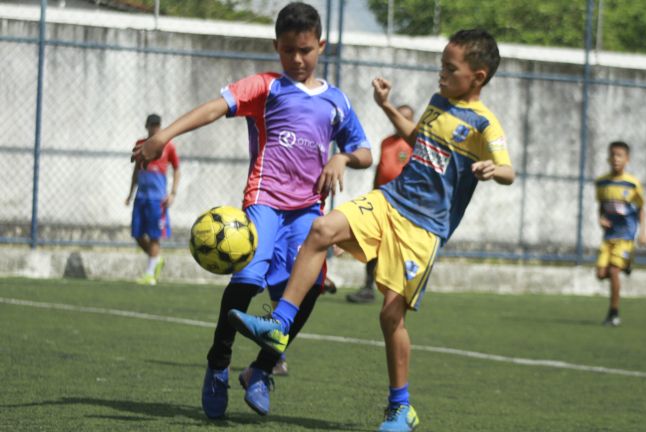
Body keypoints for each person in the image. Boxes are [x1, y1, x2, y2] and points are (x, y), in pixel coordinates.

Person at [229, 29, 515, 431]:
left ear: (478, 77)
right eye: (441, 66)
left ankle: (401, 408)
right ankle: (278, 326)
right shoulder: (437, 102)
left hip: (424, 228)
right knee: (321, 230)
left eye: (450, 69)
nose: (441, 74)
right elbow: (419, 139)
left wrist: (492, 168)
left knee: (389, 316)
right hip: (390, 200)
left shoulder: (485, 124)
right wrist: (386, 107)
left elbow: (508, 169)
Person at [132, 2, 372, 419]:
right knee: (246, 280)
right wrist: (164, 136)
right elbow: (212, 108)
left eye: (305, 50)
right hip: (264, 200)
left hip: (308, 212)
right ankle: (218, 362)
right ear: (276, 47)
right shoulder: (266, 87)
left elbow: (364, 151)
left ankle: (260, 370)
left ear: (321, 46)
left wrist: (343, 159)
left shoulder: (336, 101)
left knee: (309, 289)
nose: (297, 60)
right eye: (287, 51)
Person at [346, 104, 415, 304]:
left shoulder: (416, 144)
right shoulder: (386, 142)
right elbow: (381, 169)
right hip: (382, 200)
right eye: (396, 117)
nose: (399, 122)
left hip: (403, 204)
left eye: (405, 118)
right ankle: (368, 287)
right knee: (373, 243)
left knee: (400, 248)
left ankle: (402, 290)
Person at [595, 141, 646, 327]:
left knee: (614, 271)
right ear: (608, 158)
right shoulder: (602, 182)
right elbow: (601, 206)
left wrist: (643, 233)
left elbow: (641, 208)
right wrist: (600, 219)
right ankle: (626, 264)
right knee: (601, 274)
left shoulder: (632, 184)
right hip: (609, 236)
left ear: (627, 159)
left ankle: (613, 314)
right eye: (612, 155)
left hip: (625, 236)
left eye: (619, 155)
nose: (615, 159)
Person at [125, 114, 180, 286]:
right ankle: (155, 260)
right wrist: (130, 193)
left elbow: (177, 169)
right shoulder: (140, 145)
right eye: (152, 125)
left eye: (157, 125)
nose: (155, 128)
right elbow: (136, 170)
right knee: (138, 234)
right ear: (147, 126)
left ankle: (150, 273)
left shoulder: (168, 146)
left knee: (155, 235)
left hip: (157, 199)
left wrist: (172, 193)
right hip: (141, 196)